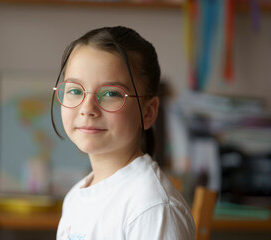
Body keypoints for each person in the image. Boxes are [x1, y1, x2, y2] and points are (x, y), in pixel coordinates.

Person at [51, 26, 195, 240]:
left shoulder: (152, 208)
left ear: (148, 112)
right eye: (74, 90)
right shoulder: (75, 197)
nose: (88, 108)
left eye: (111, 93)